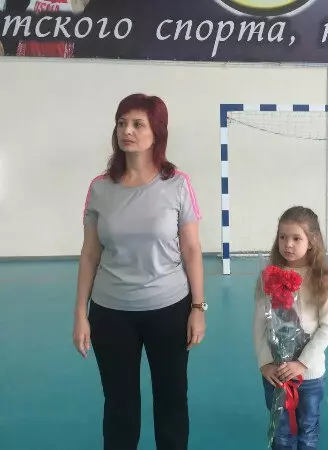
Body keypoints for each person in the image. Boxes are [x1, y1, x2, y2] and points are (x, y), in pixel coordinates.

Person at [72, 93, 206, 450]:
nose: (127, 131)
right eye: (121, 123)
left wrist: (198, 307)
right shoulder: (100, 188)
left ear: (156, 132)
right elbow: (90, 253)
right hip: (111, 313)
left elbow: (192, 250)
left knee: (172, 400)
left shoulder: (177, 184)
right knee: (119, 406)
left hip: (169, 310)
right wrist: (80, 313)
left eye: (137, 124)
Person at [253, 206, 328, 450]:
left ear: (311, 242)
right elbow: (259, 324)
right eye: (282, 237)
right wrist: (265, 362)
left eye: (296, 238)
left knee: (307, 429)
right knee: (281, 433)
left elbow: (327, 327)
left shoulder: (321, 279)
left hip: (309, 375)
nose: (288, 244)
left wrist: (302, 363)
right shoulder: (267, 277)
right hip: (276, 373)